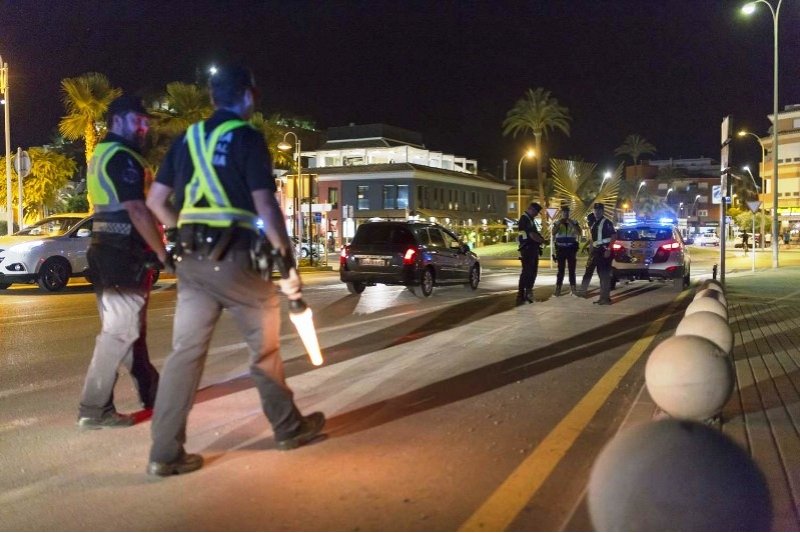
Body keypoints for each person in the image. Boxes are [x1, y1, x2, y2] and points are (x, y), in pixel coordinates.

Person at [145, 65, 325, 476]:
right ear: (247, 96)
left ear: (211, 99)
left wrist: (186, 230)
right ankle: (288, 427)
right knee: (264, 351)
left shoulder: (186, 139)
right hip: (239, 261)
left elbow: (156, 201)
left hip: (192, 263)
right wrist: (287, 264)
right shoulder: (246, 138)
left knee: (184, 357)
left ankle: (164, 453)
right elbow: (265, 206)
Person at [77, 95, 167, 429]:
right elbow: (137, 209)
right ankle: (93, 408)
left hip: (108, 251)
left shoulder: (103, 154)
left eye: (147, 121)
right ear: (118, 120)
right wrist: (162, 252)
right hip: (121, 255)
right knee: (119, 332)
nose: (145, 126)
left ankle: (153, 394)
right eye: (139, 120)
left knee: (131, 331)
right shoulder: (122, 158)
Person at [516, 202, 544, 305]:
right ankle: (523, 293)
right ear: (531, 209)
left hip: (531, 249)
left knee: (531, 272)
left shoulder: (529, 219)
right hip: (527, 249)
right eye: (536, 212)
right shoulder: (525, 219)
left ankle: (526, 292)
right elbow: (531, 234)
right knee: (528, 272)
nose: (537, 214)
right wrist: (541, 241)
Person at [589, 203, 617, 305]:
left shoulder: (607, 222)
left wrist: (609, 249)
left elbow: (614, 236)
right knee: (601, 275)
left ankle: (606, 298)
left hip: (605, 251)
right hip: (597, 252)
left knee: (605, 275)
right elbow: (593, 239)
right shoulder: (594, 223)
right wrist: (591, 249)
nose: (597, 212)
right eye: (596, 210)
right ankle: (602, 297)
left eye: (599, 210)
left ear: (603, 211)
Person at [551, 204, 582, 296]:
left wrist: (571, 223)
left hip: (571, 249)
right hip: (561, 249)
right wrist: (559, 224)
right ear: (561, 213)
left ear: (569, 213)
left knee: (572, 270)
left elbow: (579, 233)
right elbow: (553, 233)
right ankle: (558, 289)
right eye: (564, 212)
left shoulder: (574, 222)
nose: (566, 214)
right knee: (561, 270)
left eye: (567, 212)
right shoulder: (557, 223)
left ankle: (573, 289)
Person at [577, 211, 597, 294]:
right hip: (594, 252)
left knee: (588, 272)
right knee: (590, 271)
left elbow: (593, 241)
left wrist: (590, 252)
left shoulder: (595, 228)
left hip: (595, 253)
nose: (588, 222)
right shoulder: (593, 228)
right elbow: (591, 240)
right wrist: (584, 246)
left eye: (589, 221)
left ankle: (583, 290)